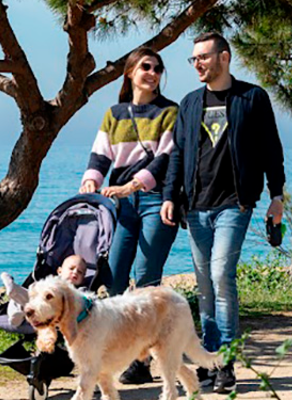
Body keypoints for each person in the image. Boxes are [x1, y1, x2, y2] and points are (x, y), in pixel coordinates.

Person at [161, 32, 285, 394]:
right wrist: (170, 196)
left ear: (224, 57)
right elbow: (178, 155)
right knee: (204, 286)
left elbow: (270, 149)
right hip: (196, 207)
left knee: (220, 275)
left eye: (203, 56)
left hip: (236, 203)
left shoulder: (252, 98)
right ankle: (208, 360)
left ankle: (226, 361)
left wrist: (276, 195)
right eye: (193, 59)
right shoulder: (189, 103)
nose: (197, 63)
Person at [79, 47, 182, 385]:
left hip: (154, 199)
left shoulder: (170, 112)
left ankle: (142, 362)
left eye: (157, 68)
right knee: (115, 276)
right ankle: (119, 351)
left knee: (147, 277)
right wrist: (92, 179)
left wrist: (132, 186)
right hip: (120, 205)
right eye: (146, 67)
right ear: (130, 73)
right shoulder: (115, 113)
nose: (152, 73)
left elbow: (166, 157)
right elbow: (100, 154)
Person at [2, 254, 88, 327]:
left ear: (83, 278)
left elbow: (81, 302)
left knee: (23, 297)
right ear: (59, 271)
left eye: (80, 272)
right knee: (16, 300)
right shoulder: (52, 281)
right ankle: (17, 314)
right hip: (34, 305)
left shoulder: (79, 289)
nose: (75, 272)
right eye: (71, 268)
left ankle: (16, 295)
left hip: (49, 311)